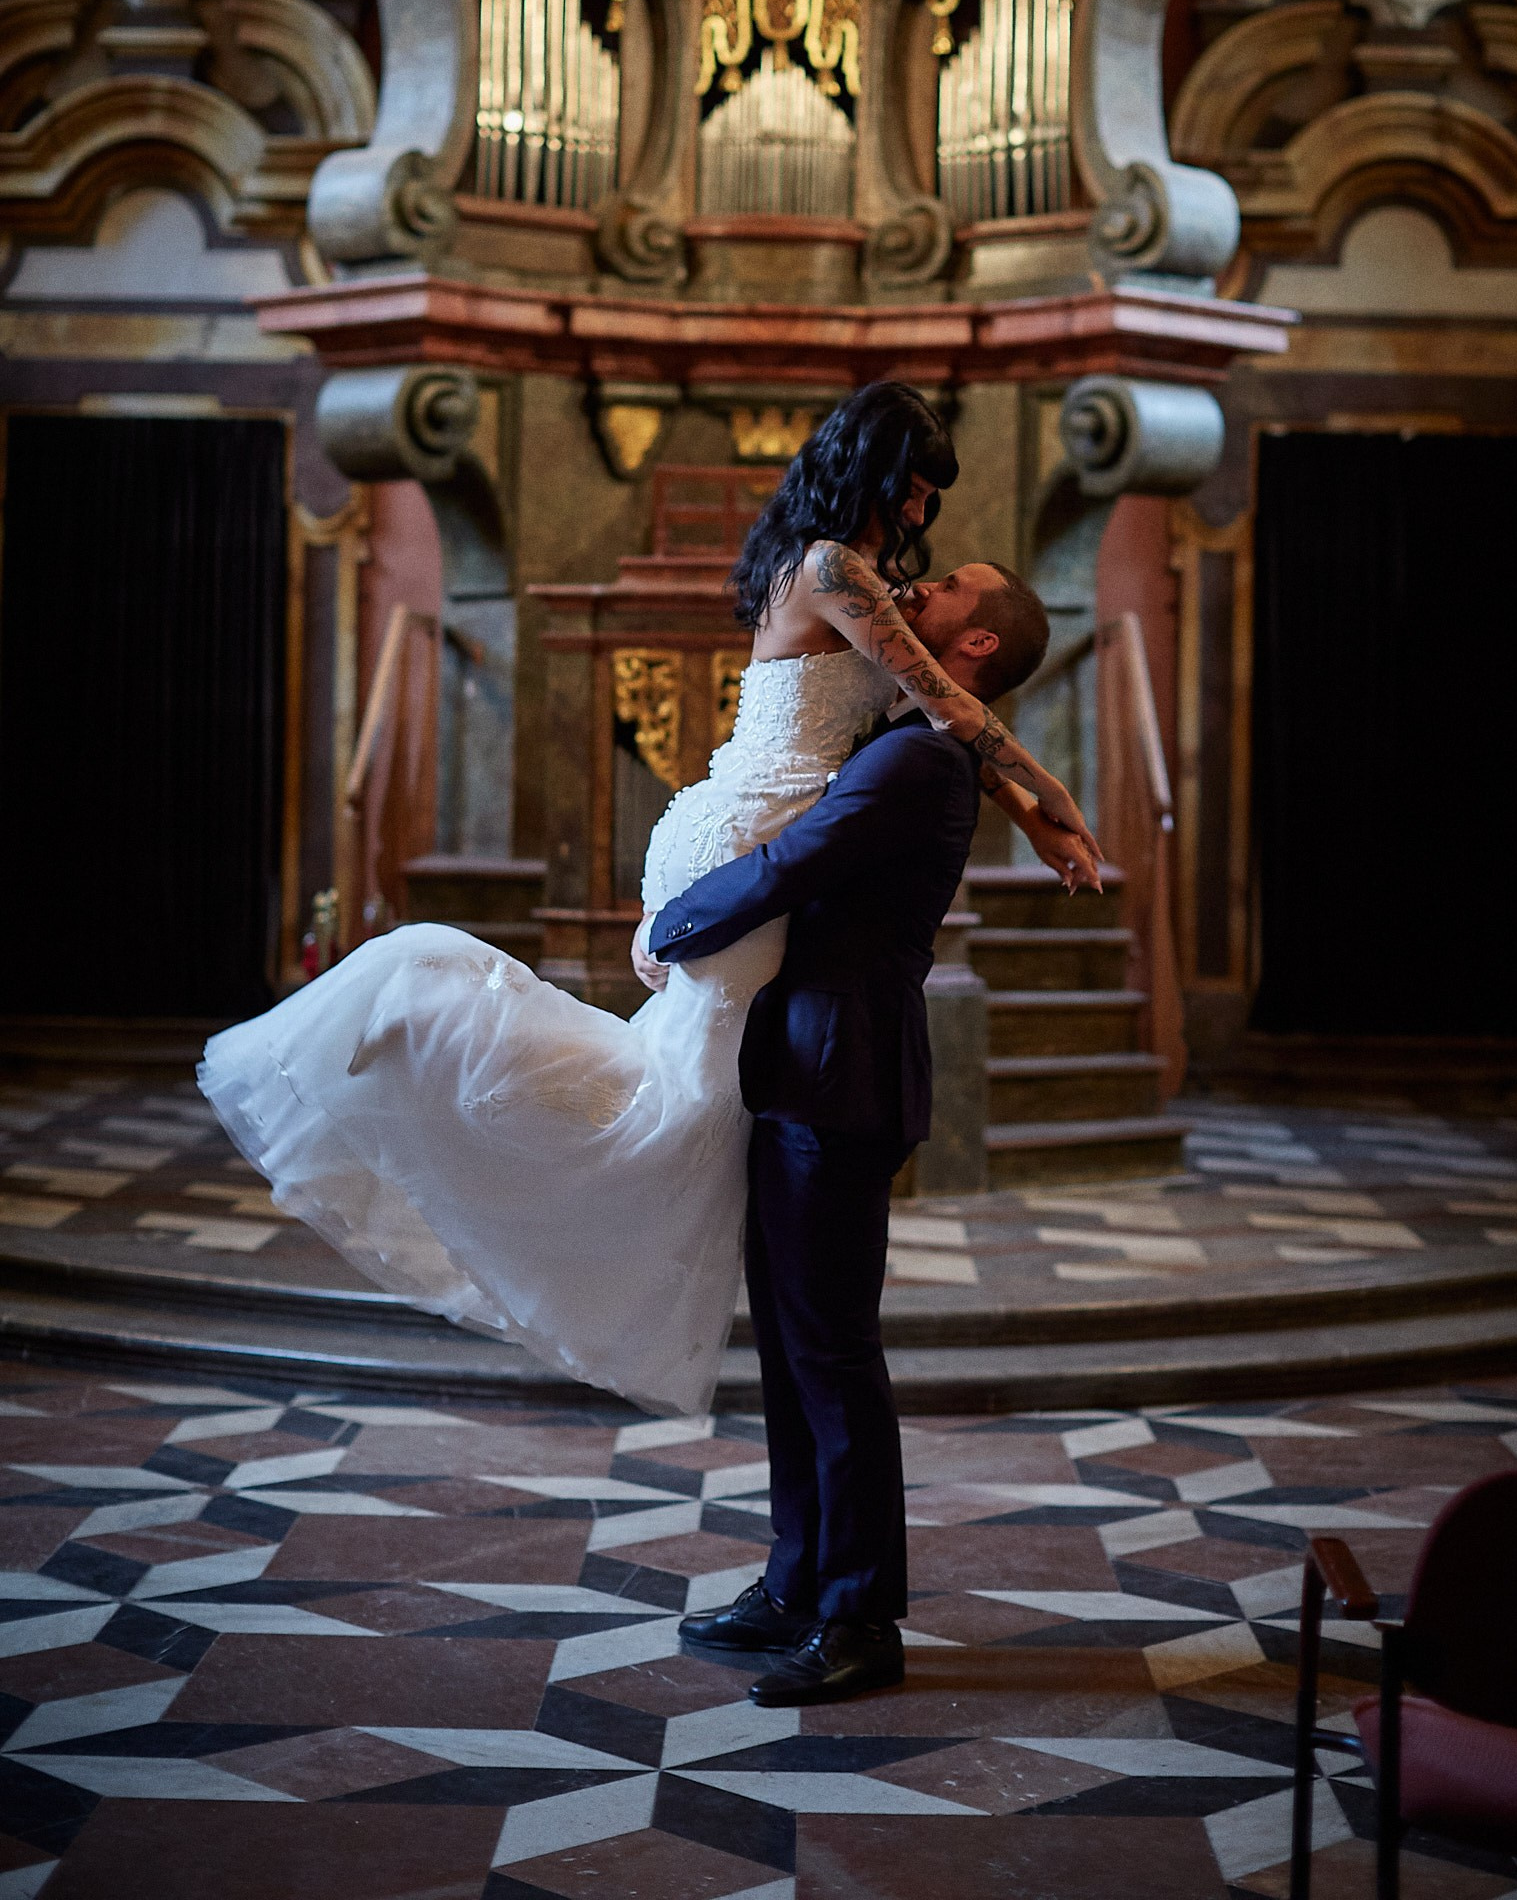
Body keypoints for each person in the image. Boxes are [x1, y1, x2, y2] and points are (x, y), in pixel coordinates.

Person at [198, 382, 1099, 1414]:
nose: (925, 518)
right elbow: (946, 700)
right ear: (878, 471)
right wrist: (1054, 794)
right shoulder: (837, 569)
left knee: (672, 1089)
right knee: (663, 1114)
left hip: (722, 826)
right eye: (919, 491)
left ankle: (471, 1079)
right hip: (743, 840)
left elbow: (940, 706)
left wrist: (1028, 811)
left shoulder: (820, 562)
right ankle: (438, 1029)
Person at [637, 555, 1057, 1704]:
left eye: (955, 586)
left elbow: (793, 862)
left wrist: (673, 922)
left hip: (845, 1074)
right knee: (790, 1348)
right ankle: (796, 1579)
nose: (924, 583)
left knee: (833, 1355)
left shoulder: (922, 759)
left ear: (978, 644)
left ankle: (862, 1612)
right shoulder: (903, 726)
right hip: (800, 1065)